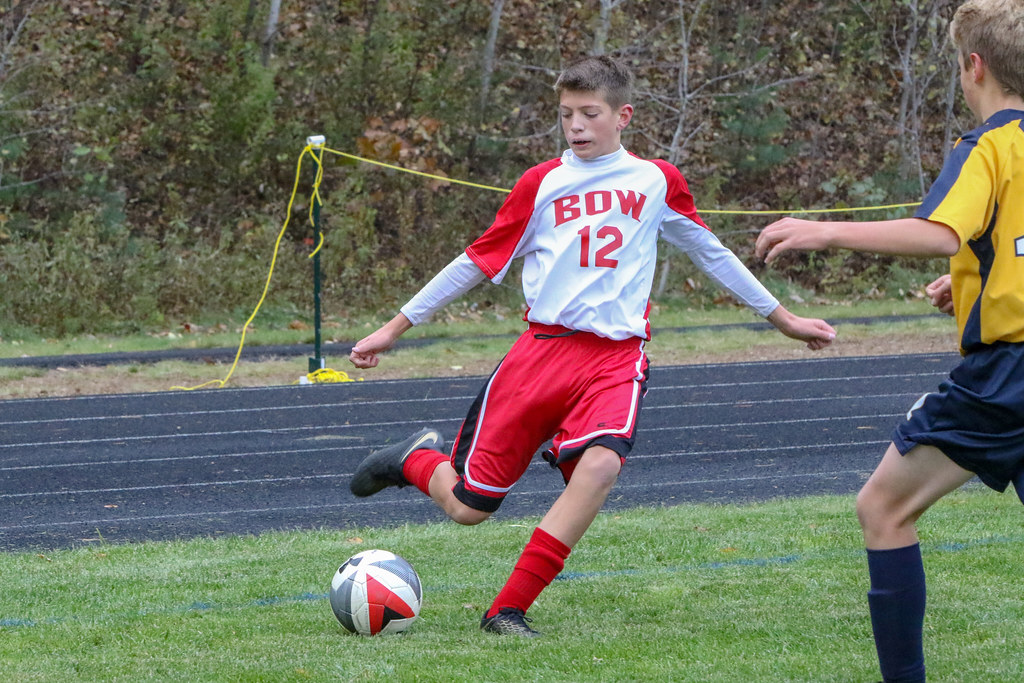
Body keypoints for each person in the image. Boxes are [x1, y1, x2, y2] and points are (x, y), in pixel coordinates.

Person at [348, 55, 837, 637]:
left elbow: (711, 252)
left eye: (589, 113)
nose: (576, 125)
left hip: (614, 358)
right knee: (469, 508)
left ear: (622, 115)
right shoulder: (542, 183)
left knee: (600, 465)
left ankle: (507, 609)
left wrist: (781, 317)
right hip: (540, 355)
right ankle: (412, 460)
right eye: (565, 115)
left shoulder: (657, 180)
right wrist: (394, 327)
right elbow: (476, 261)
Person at [755, 1, 1024, 680]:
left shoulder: (990, 146)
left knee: (883, 506)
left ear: (974, 67)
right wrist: (966, 277)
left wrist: (824, 229)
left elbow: (940, 229)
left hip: (1007, 377)